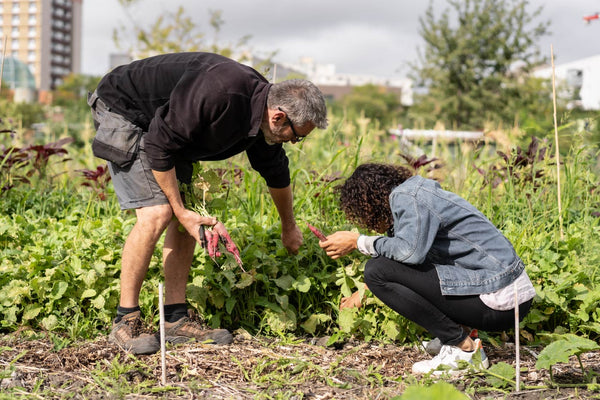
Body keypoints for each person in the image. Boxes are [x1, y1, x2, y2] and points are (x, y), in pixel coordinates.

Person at [88, 52, 328, 355]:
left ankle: (174, 320)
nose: (294, 143)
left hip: (168, 125)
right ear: (278, 117)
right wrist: (179, 209)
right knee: (158, 213)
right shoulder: (221, 93)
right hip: (126, 108)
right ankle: (125, 320)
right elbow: (159, 143)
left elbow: (276, 172)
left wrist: (289, 227)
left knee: (188, 219)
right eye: (296, 136)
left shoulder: (259, 117)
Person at [319, 163, 535, 374]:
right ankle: (460, 335)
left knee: (376, 269)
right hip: (508, 295)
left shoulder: (407, 197)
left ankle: (463, 348)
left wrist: (358, 241)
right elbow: (409, 265)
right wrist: (364, 291)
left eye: (363, 214)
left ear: (368, 202)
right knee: (381, 269)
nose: (368, 223)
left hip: (500, 300)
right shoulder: (416, 194)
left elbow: (408, 252)